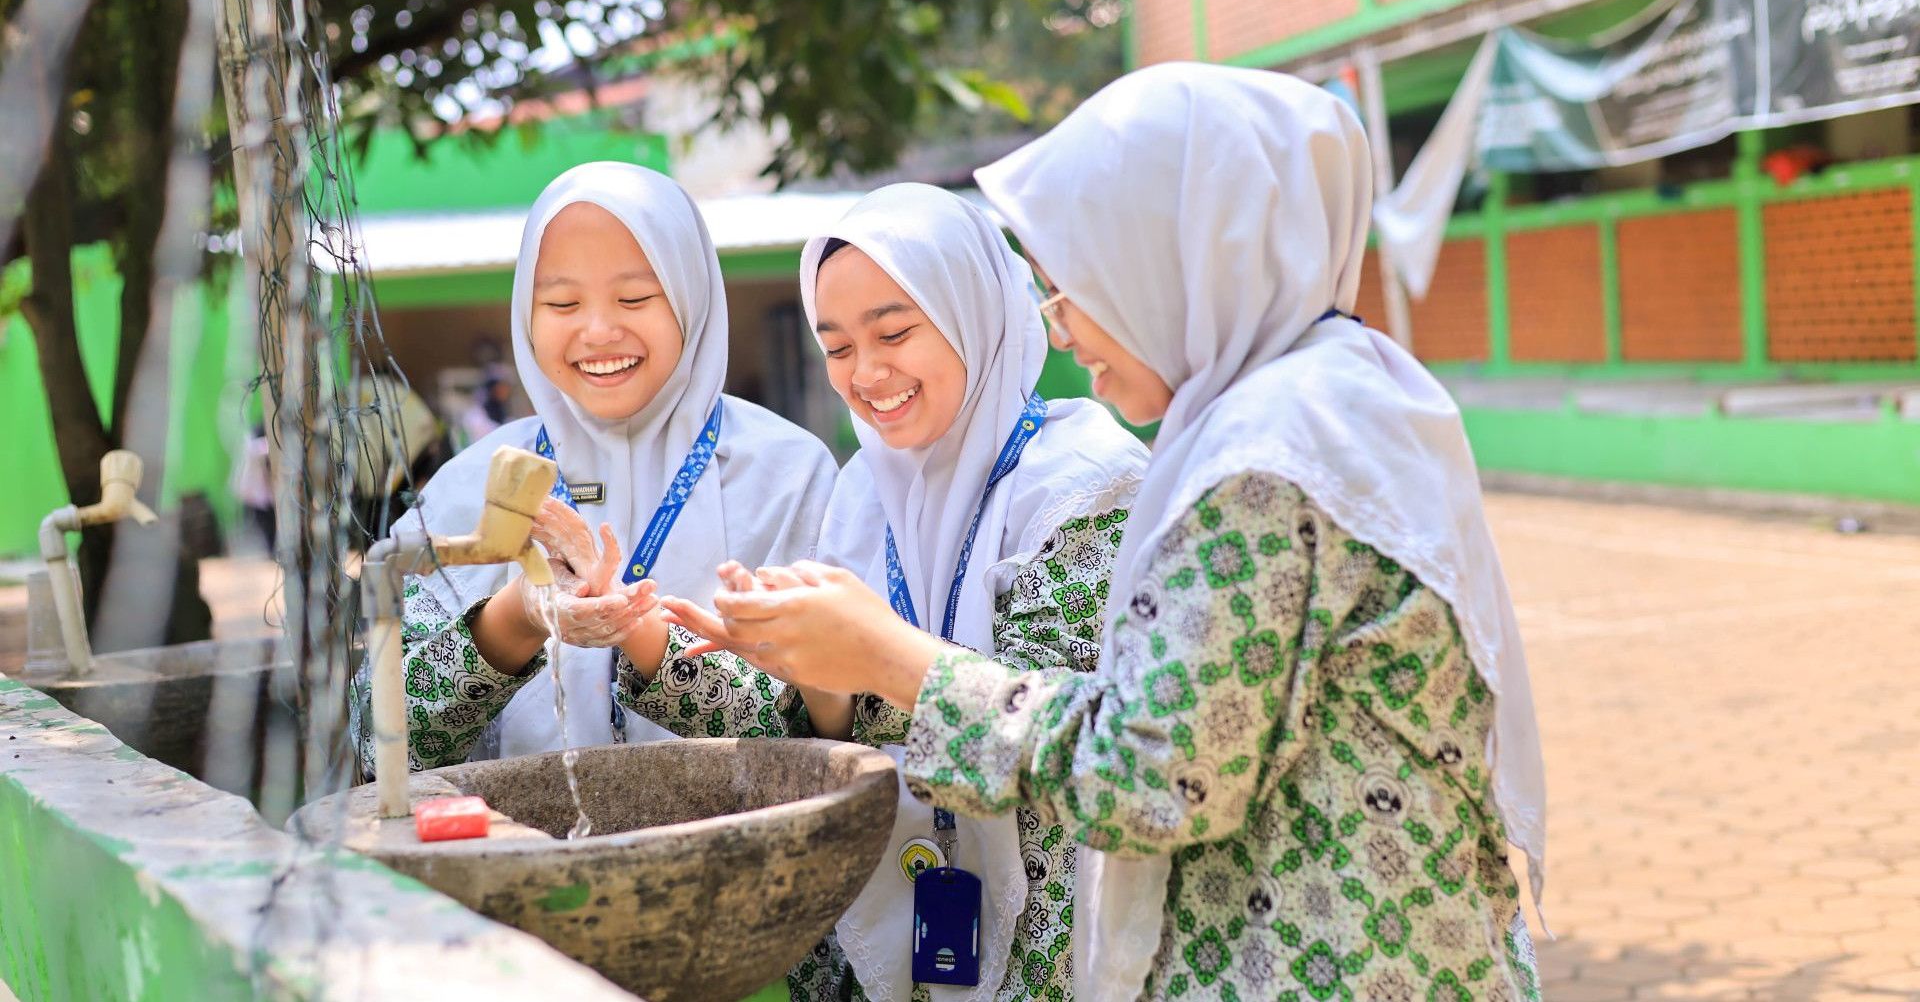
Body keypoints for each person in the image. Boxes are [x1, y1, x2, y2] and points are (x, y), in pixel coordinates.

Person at [685, 66, 1549, 1001]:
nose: (1060, 329)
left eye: (1076, 288)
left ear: (1177, 261)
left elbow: (1153, 777)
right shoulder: (1327, 401)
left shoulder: (1260, 464)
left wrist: (897, 661)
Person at [654, 183, 1149, 1000]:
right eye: (837, 346)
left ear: (973, 313)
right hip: (877, 916)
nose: (867, 373)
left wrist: (864, 658)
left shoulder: (1083, 482)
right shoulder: (860, 492)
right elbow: (831, 725)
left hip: (1045, 945)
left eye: (893, 332)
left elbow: (1056, 731)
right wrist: (812, 676)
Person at [350, 161, 837, 774]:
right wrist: (515, 620)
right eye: (561, 302)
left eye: (634, 297)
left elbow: (829, 721)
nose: (599, 331)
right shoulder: (473, 484)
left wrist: (644, 636)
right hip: (522, 856)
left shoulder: (785, 475)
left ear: (691, 296)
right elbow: (380, 744)